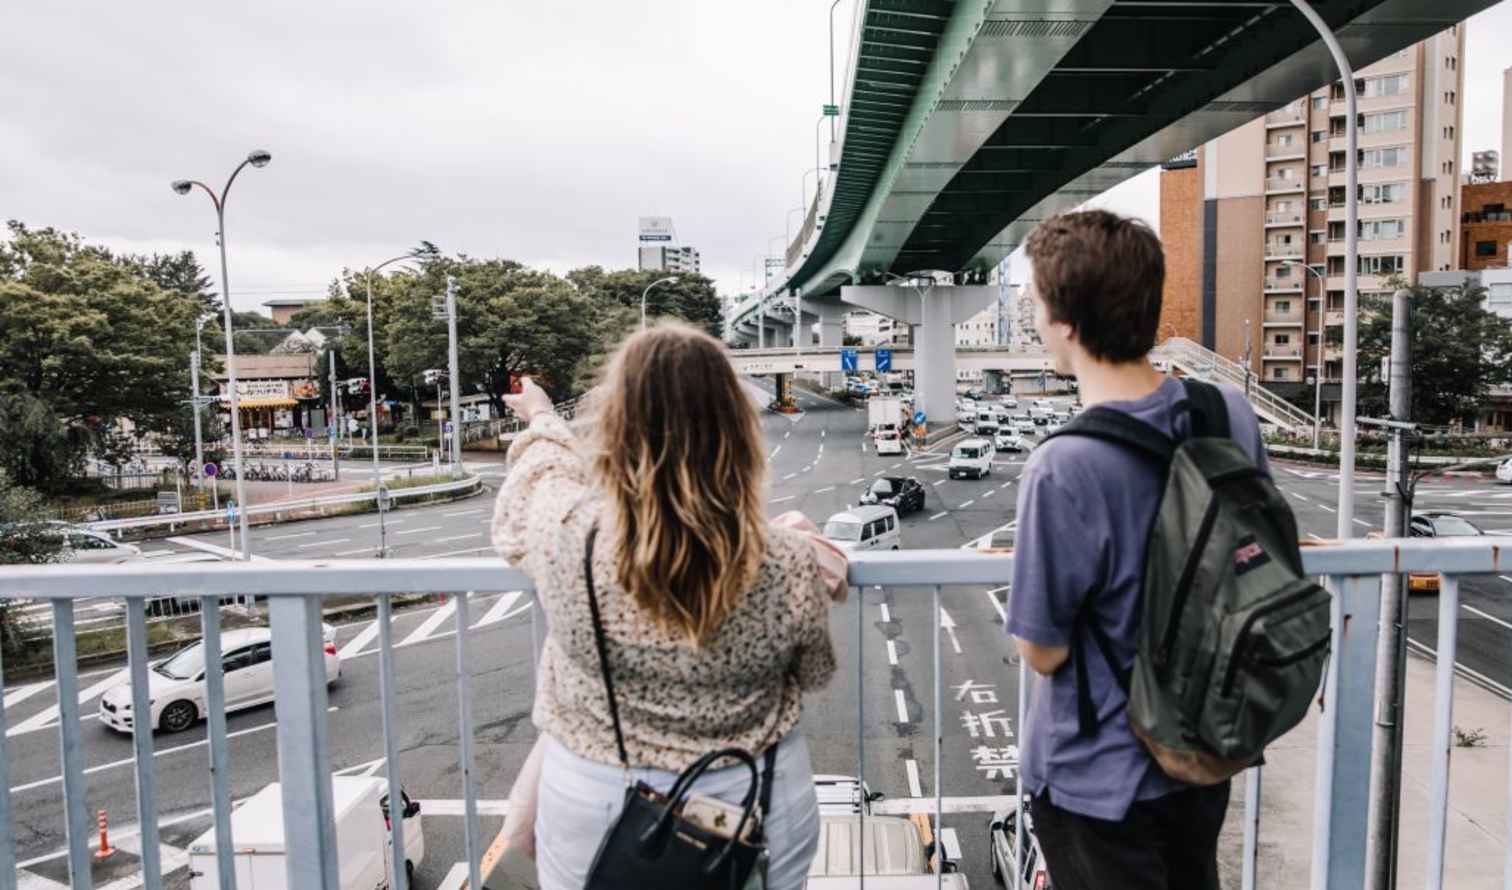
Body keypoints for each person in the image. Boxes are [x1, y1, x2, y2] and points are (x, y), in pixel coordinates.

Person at [491, 322, 845, 890]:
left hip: (602, 805)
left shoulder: (571, 534)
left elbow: (537, 482)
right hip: (753, 809)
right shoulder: (784, 559)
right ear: (736, 428)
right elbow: (813, 672)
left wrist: (540, 416)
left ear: (616, 425)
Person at [1006, 209, 1269, 890]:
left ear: (1066, 321)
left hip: (1101, 780)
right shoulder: (1226, 414)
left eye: (1034, 302)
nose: (1031, 319)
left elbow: (1043, 650)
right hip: (1206, 746)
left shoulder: (1064, 466)